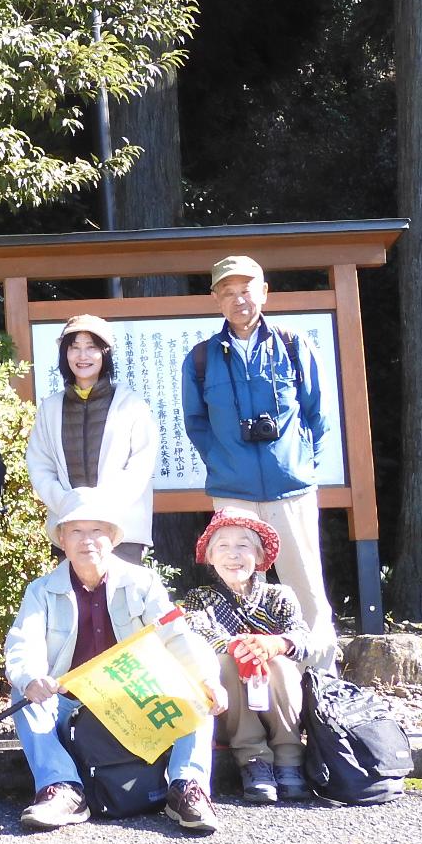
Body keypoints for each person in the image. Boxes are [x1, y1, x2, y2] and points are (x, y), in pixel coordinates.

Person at [2, 488, 226, 836]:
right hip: (70, 705)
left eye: (97, 530)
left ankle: (187, 787)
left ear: (112, 537)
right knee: (23, 697)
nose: (87, 540)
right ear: (61, 538)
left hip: (135, 699)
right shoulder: (41, 590)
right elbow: (23, 642)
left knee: (196, 690)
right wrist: (31, 677)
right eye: (76, 530)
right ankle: (64, 789)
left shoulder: (143, 582)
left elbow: (176, 636)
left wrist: (207, 678)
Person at [181, 254, 338, 671]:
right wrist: (223, 461)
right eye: (228, 292)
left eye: (246, 290)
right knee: (244, 594)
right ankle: (258, 689)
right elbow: (196, 423)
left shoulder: (292, 345)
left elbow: (318, 415)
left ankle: (323, 685)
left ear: (264, 292)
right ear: (216, 299)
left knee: (306, 589)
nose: (239, 300)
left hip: (292, 490)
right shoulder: (201, 358)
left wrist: (303, 466)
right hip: (232, 495)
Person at [176, 511, 318, 806]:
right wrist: (243, 648)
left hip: (277, 703)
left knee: (280, 662)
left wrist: (275, 644)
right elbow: (199, 633)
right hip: (231, 712)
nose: (233, 555)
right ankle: (253, 759)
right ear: (211, 557)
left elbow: (303, 639)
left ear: (258, 554)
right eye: (223, 547)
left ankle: (289, 757)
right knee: (223, 661)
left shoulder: (280, 596)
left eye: (243, 546)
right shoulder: (200, 598)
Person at [24, 313, 158, 565]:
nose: (82, 356)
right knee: (75, 601)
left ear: (105, 354)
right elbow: (40, 465)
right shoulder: (50, 408)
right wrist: (67, 503)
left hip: (121, 529)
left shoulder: (131, 405)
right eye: (74, 348)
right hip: (69, 527)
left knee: (120, 601)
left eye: (91, 348)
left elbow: (140, 466)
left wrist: (105, 505)